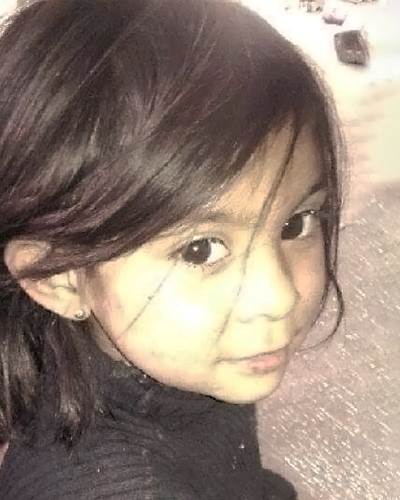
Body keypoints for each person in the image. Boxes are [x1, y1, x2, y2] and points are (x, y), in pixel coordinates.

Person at [0, 0, 344, 498]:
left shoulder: (176, 360)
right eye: (200, 250)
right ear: (60, 278)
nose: (279, 296)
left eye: (297, 222)